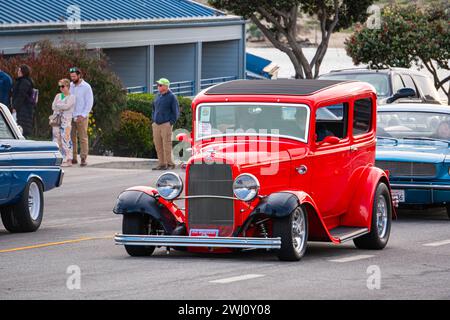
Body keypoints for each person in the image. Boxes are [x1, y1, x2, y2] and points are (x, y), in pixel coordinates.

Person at [151, 78, 180, 170]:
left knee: (166, 145)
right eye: (158, 85)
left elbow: (175, 112)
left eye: (160, 85)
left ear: (166, 86)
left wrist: (170, 123)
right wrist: (153, 120)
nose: (158, 87)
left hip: (166, 124)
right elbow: (153, 108)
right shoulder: (157, 96)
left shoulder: (172, 97)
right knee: (158, 144)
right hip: (156, 124)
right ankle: (162, 164)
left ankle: (170, 164)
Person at [69, 67, 94, 167]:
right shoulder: (70, 85)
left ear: (79, 76)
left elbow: (89, 102)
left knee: (83, 138)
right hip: (71, 116)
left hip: (81, 116)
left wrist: (83, 115)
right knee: (71, 138)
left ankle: (83, 158)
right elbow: (66, 97)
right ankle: (73, 158)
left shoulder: (86, 87)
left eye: (74, 76)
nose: (72, 78)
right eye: (71, 77)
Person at [51, 79, 76, 167]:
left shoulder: (72, 97)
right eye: (60, 86)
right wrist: (60, 106)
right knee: (56, 137)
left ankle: (68, 159)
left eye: (63, 86)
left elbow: (67, 106)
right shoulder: (58, 95)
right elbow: (53, 106)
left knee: (65, 138)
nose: (61, 88)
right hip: (57, 120)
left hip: (66, 120)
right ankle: (59, 158)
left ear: (68, 87)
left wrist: (59, 106)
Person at [12, 65, 35, 137]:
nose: (18, 72)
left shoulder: (24, 82)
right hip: (23, 108)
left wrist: (15, 107)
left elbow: (21, 95)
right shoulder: (23, 81)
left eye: (19, 70)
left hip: (23, 109)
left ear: (23, 72)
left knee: (20, 128)